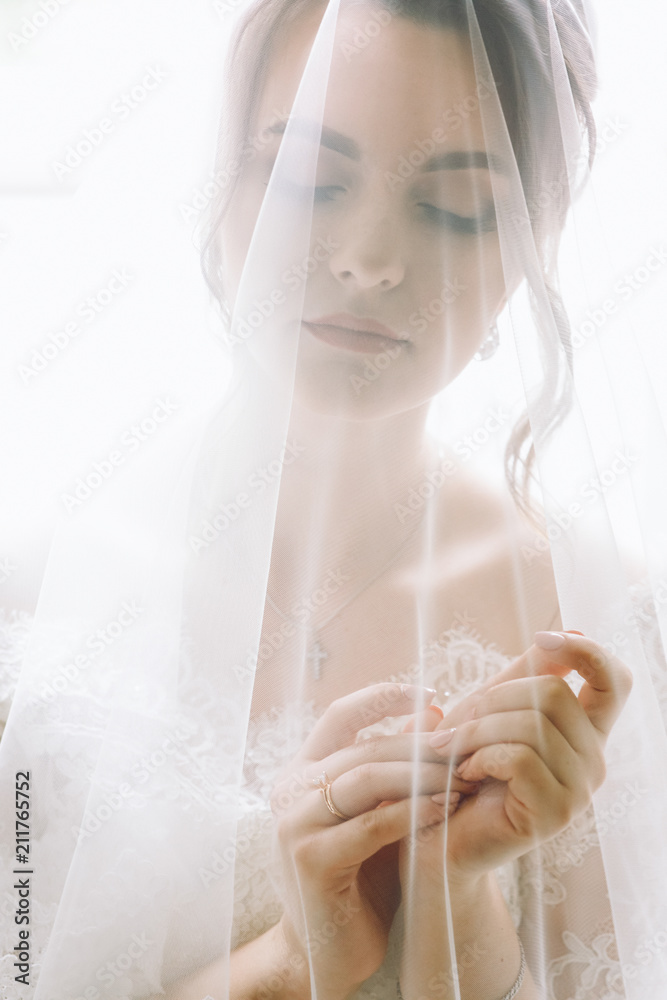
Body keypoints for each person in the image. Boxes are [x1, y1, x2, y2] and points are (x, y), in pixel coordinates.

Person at [1, 2, 666, 999]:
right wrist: (292, 961)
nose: (369, 259)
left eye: (454, 206)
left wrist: (458, 892)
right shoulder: (34, 600)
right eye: (311, 178)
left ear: (528, 248)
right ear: (222, 185)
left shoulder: (603, 624)